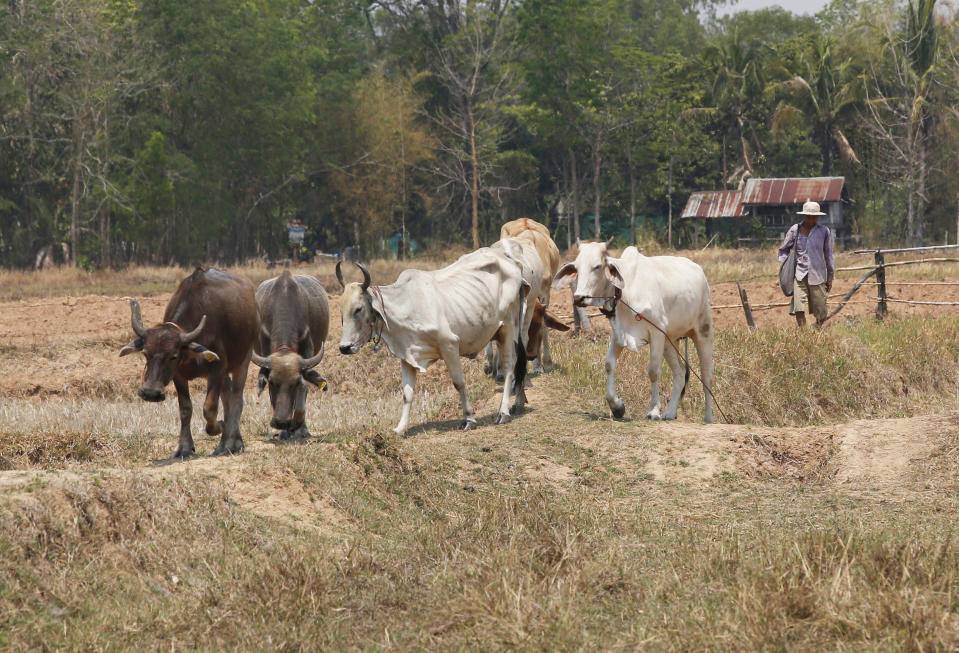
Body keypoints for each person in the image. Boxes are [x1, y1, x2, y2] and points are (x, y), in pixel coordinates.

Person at [778, 200, 835, 328]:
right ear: (804, 215)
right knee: (798, 308)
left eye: (814, 217)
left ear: (818, 217)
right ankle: (804, 335)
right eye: (809, 216)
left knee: (821, 312)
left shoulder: (824, 231)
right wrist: (785, 268)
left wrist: (830, 277)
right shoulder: (795, 230)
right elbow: (783, 250)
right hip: (799, 275)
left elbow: (829, 255)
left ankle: (816, 330)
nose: (811, 220)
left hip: (818, 276)